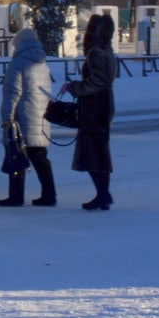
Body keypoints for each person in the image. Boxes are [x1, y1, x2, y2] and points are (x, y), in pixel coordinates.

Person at [59, 13, 117, 210]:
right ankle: (103, 194)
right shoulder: (107, 51)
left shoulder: (95, 53)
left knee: (91, 151)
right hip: (105, 104)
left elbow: (97, 82)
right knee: (100, 149)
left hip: (95, 106)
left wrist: (76, 87)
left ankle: (103, 194)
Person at [0, 27, 57, 207]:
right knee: (40, 157)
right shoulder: (42, 64)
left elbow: (13, 93)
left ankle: (15, 196)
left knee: (17, 155)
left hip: (22, 116)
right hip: (41, 115)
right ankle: (49, 194)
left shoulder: (18, 64)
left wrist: (7, 116)